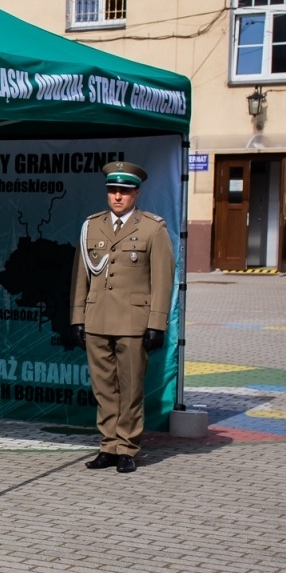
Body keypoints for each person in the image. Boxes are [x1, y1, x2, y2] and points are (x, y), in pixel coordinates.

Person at [70, 160, 175, 474]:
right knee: (103, 387)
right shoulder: (92, 225)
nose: (117, 197)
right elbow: (80, 276)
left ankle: (127, 447)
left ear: (137, 193)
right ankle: (108, 446)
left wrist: (156, 323)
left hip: (133, 322)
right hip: (97, 319)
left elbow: (163, 279)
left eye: (124, 192)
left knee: (130, 388)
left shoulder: (152, 228)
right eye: (113, 190)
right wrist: (78, 317)